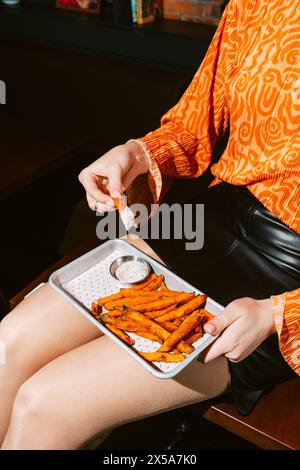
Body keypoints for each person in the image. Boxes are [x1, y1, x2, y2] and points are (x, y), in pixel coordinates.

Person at [0, 0, 299, 450]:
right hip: (213, 221)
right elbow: (194, 125)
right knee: (8, 346)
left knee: (44, 404)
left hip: (283, 288)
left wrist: (278, 313)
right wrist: (137, 154)